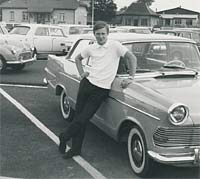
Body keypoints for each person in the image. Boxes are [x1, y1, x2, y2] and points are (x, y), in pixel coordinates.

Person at [58, 21, 137, 159]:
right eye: (98, 34)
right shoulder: (91, 48)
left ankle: (64, 136)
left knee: (84, 118)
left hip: (101, 90)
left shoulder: (115, 46)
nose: (100, 37)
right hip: (87, 84)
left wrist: (131, 77)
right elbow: (78, 58)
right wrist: (82, 72)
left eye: (103, 34)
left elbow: (132, 57)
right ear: (94, 34)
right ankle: (76, 149)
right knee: (78, 117)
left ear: (107, 34)